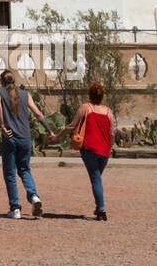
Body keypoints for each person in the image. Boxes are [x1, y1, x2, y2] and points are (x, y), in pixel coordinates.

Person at [0, 70, 53, 219]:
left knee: (10, 173)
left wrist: (2, 126)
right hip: (26, 138)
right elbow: (38, 114)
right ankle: (34, 197)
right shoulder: (25, 94)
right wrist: (50, 131)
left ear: (2, 81)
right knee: (25, 169)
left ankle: (15, 209)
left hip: (10, 138)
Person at [49, 82, 114, 220]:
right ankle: (99, 207)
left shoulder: (86, 108)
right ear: (102, 96)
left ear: (90, 95)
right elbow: (112, 133)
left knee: (96, 178)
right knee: (97, 178)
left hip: (89, 148)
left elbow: (71, 126)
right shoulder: (109, 112)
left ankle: (101, 210)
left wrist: (57, 137)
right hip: (104, 151)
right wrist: (110, 147)